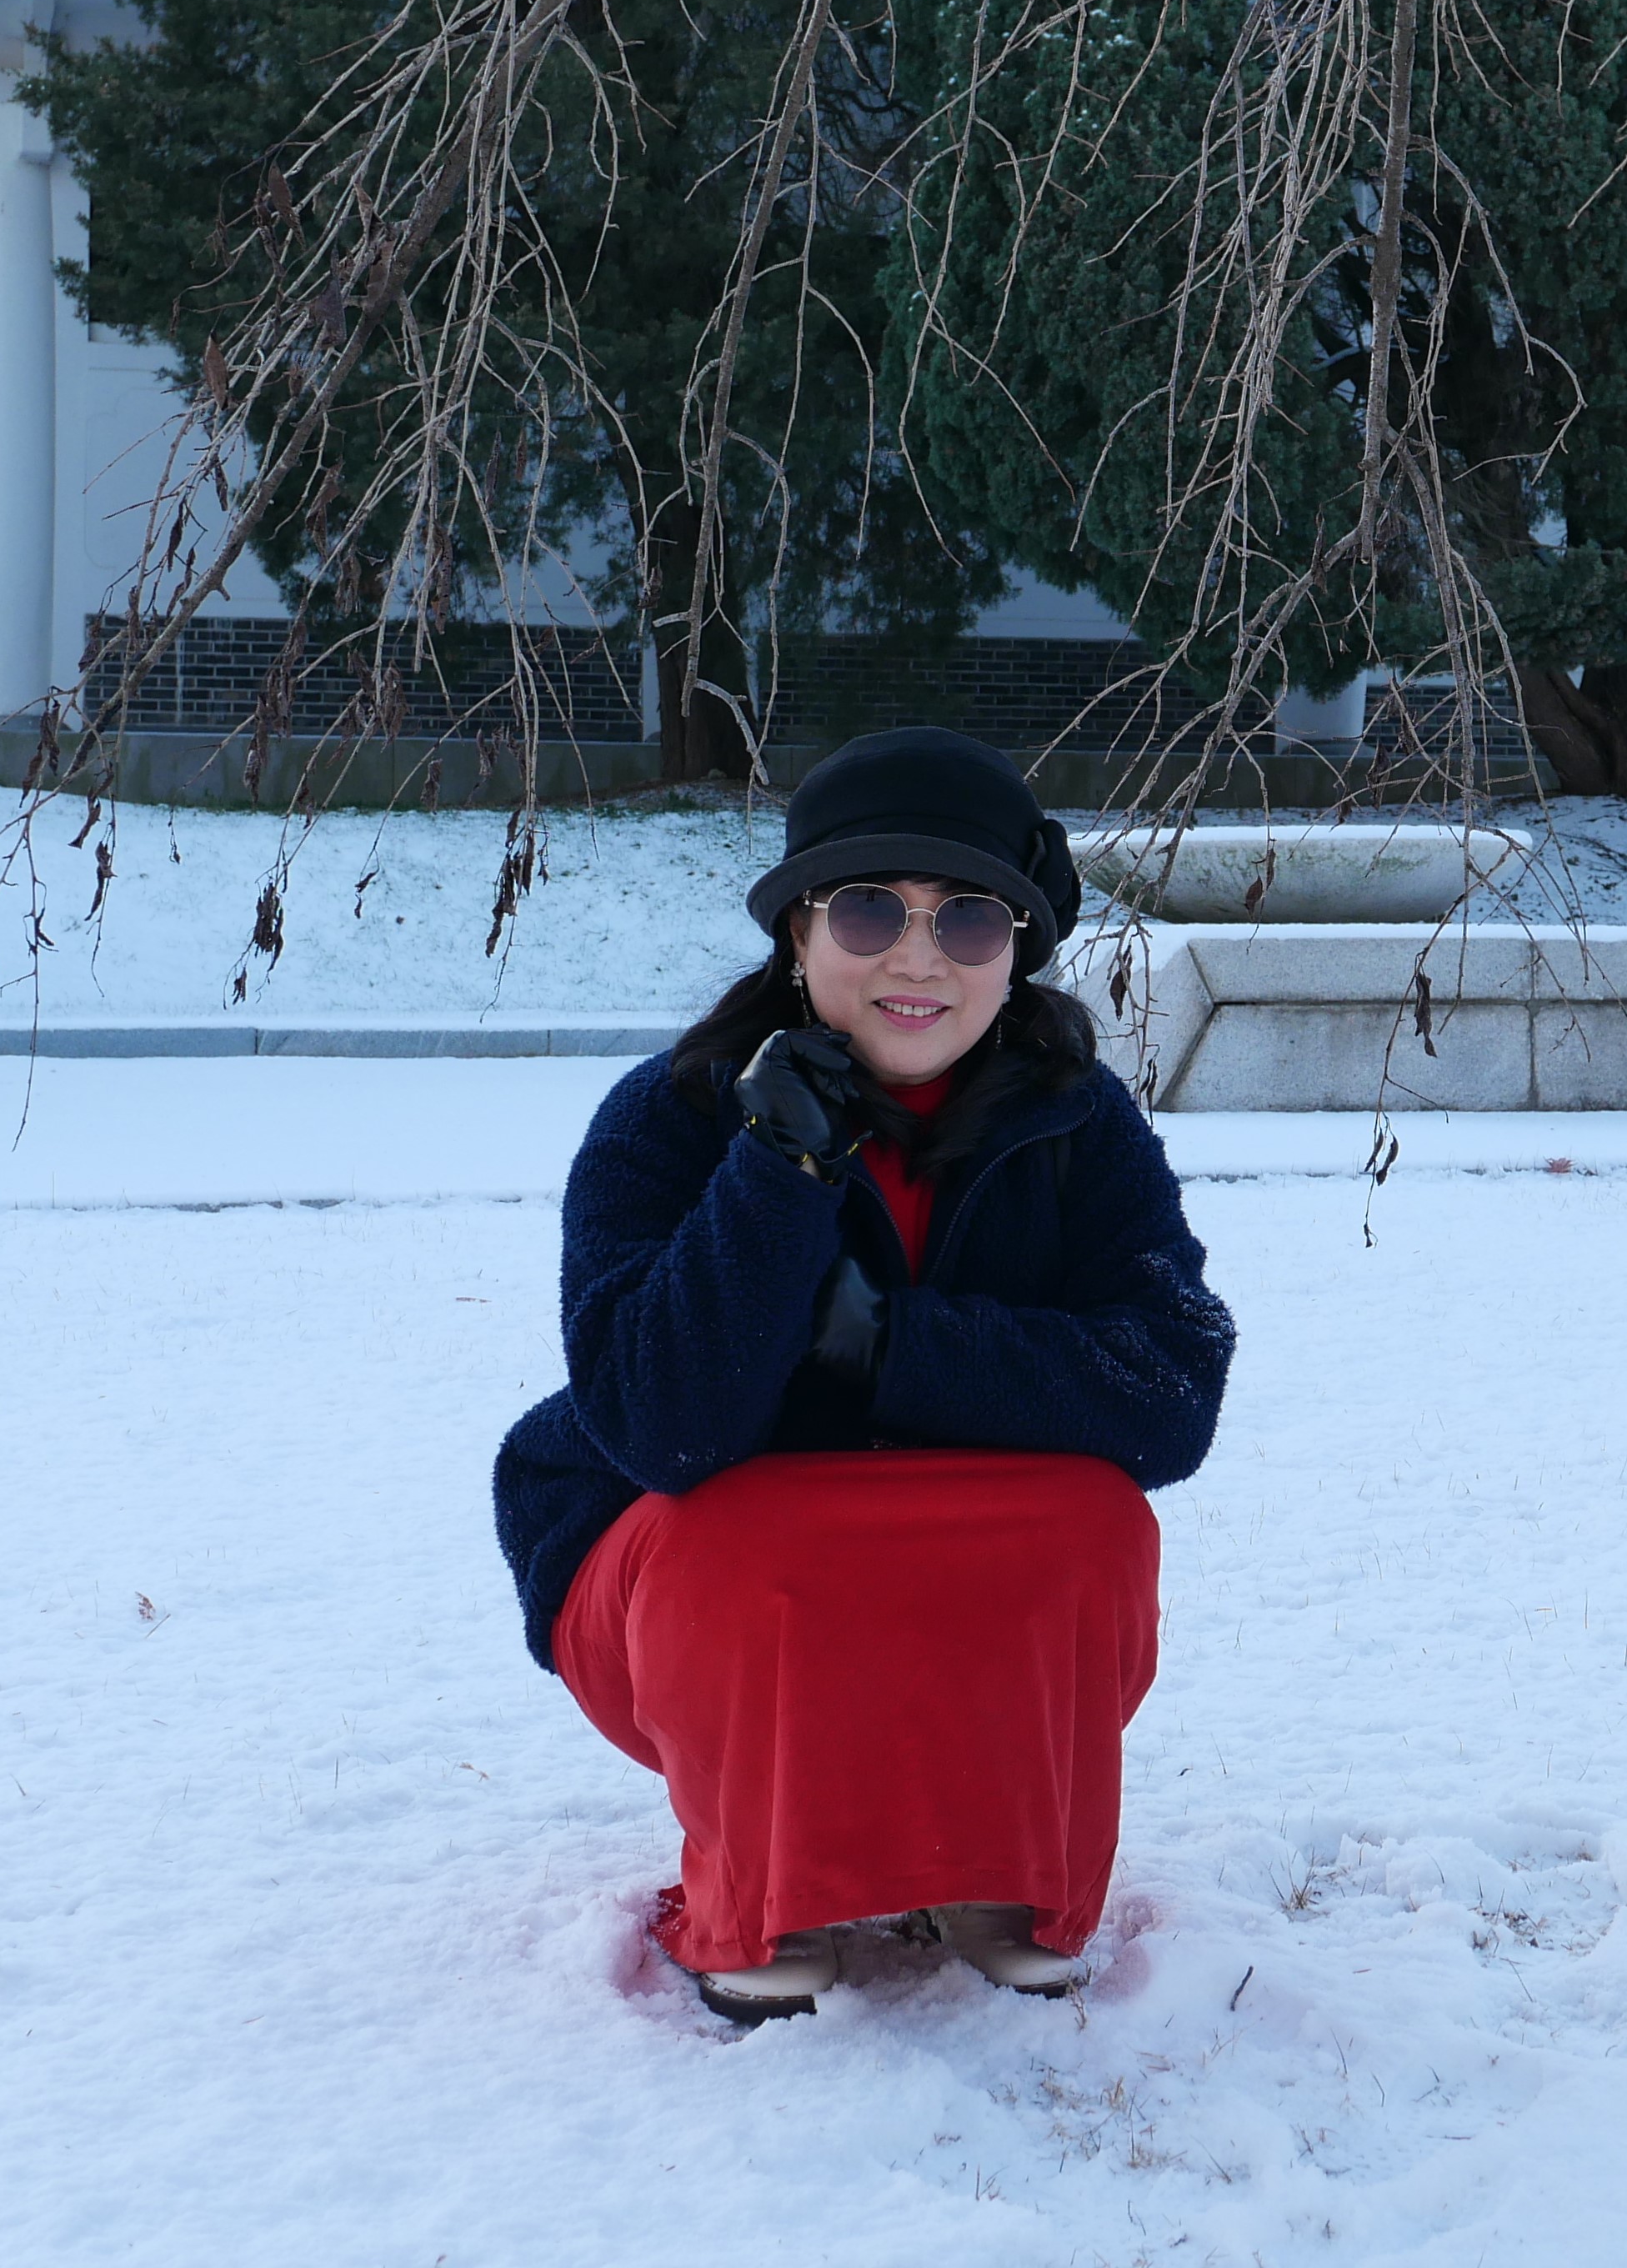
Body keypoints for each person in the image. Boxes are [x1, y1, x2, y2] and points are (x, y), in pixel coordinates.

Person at [492, 728, 1235, 2025]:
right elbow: (662, 1430)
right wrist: (776, 1170)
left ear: (1016, 949)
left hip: (965, 1556)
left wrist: (890, 1346)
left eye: (968, 919)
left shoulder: (1078, 1122)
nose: (917, 956)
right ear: (798, 933)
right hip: (684, 1566)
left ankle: (1003, 1870)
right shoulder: (670, 1115)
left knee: (1092, 1520)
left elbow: (1169, 1395)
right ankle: (763, 1897)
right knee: (744, 1540)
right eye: (870, 910)